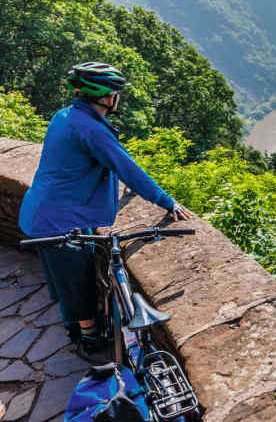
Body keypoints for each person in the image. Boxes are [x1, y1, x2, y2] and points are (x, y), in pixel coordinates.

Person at [19, 62, 192, 355]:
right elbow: (129, 170)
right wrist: (167, 201)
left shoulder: (64, 116)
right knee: (76, 283)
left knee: (65, 275)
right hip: (59, 219)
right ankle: (89, 338)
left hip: (45, 209)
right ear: (110, 97)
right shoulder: (92, 130)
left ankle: (74, 325)